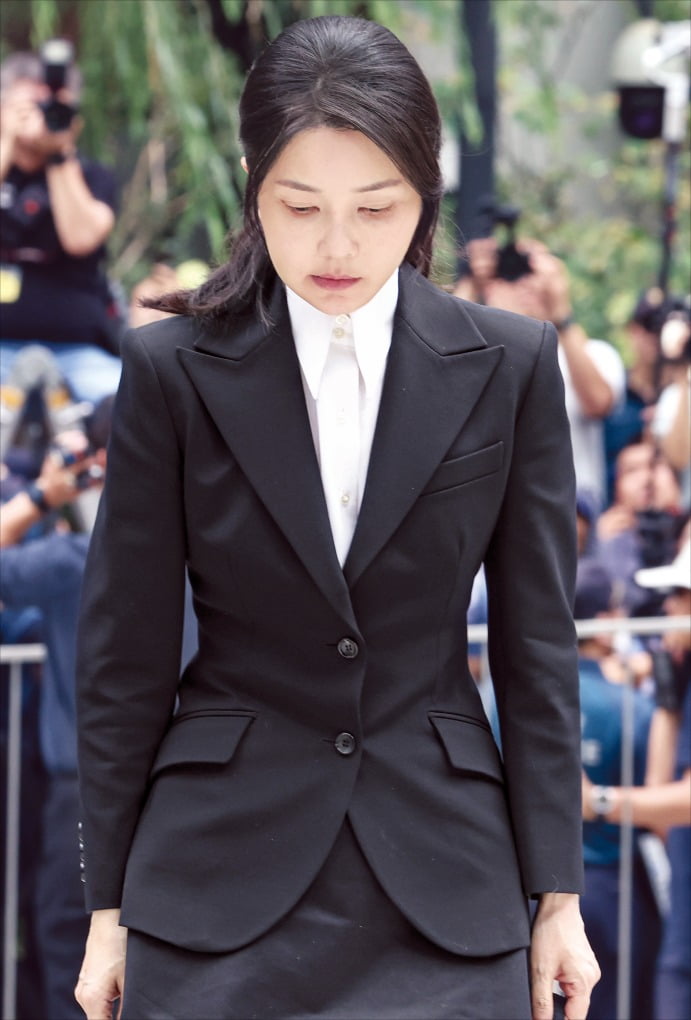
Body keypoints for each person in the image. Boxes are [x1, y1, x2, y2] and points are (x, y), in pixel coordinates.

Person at [74, 16, 598, 1020]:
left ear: (425, 191)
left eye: (376, 206)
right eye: (300, 204)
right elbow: (122, 657)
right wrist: (106, 909)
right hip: (212, 878)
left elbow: (538, 648)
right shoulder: (169, 373)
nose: (337, 245)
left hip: (447, 882)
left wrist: (558, 898)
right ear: (251, 184)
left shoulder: (512, 365)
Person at [582, 537, 691, 1020]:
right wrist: (666, 698)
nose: (668, 608)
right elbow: (658, 796)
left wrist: (599, 801)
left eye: (681, 595)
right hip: (647, 899)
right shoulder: (653, 698)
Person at [455, 236, 625, 513]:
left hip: (572, 514)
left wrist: (562, 313)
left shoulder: (594, 353)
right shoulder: (477, 353)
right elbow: (443, 375)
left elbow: (598, 403)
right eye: (512, 273)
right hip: (486, 510)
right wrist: (471, 285)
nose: (525, 284)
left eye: (532, 271)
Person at [0, 47, 122, 404]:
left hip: (78, 353)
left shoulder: (91, 176)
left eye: (53, 108)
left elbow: (81, 239)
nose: (42, 116)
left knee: (127, 403)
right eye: (30, 106)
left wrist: (58, 152)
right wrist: (6, 140)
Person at [574, 558, 659, 1020]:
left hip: (528, 889)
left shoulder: (503, 698)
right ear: (603, 622)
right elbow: (658, 806)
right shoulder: (631, 708)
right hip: (613, 889)